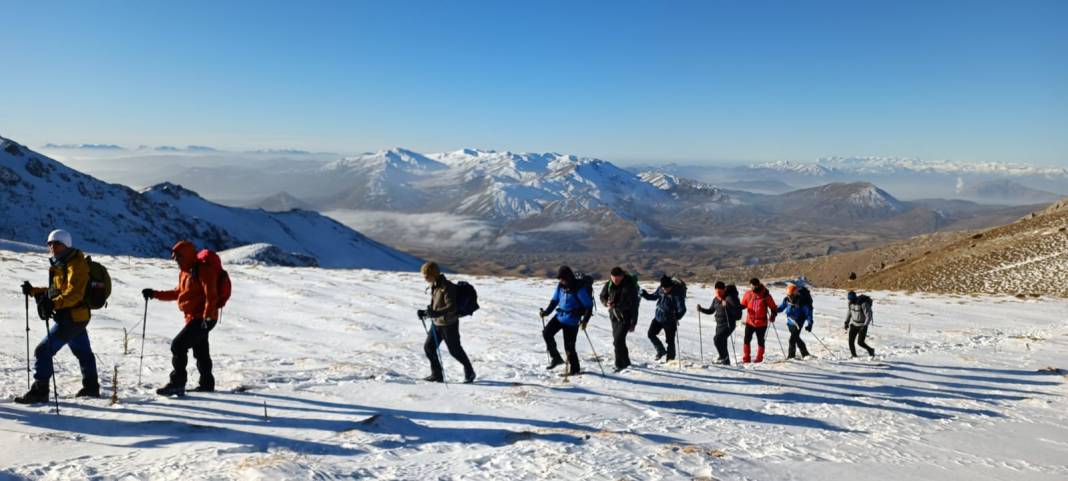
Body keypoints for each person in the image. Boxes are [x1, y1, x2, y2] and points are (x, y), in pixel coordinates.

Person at [15, 229, 100, 404]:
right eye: (50, 244)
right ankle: (91, 387)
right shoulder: (61, 264)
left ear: (66, 245)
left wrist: (53, 304)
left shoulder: (76, 265)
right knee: (83, 352)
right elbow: (56, 291)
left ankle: (40, 391)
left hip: (72, 317)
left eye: (56, 243)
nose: (52, 247)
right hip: (75, 316)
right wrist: (34, 291)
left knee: (43, 350)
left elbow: (74, 294)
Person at [142, 241, 220, 396]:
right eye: (175, 258)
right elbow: (179, 293)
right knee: (201, 350)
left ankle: (177, 383)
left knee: (178, 346)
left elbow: (211, 295)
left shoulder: (203, 270)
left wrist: (207, 317)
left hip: (204, 318)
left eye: (178, 257)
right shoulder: (185, 272)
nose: (176, 260)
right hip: (195, 318)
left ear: (187, 256)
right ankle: (206, 384)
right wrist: (155, 294)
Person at [417, 262, 476, 383]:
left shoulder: (447, 287)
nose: (425, 278)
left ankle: (469, 371)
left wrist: (436, 313)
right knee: (429, 348)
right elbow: (436, 307)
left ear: (434, 274)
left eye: (427, 275)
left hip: (449, 325)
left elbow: (451, 307)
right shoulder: (435, 285)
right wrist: (425, 313)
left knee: (455, 350)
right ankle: (437, 375)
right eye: (424, 275)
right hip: (437, 323)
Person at [540, 266, 593, 375]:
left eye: (562, 278)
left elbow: (588, 306)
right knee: (546, 333)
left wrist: (585, 321)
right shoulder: (561, 286)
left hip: (572, 321)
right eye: (560, 279)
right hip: (560, 316)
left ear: (568, 277)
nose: (561, 280)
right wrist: (546, 312)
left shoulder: (579, 288)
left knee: (569, 347)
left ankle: (575, 369)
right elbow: (554, 301)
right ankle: (556, 358)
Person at [598, 267, 640, 372]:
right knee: (619, 341)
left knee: (617, 341)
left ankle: (619, 364)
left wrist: (634, 322)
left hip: (626, 317)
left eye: (617, 279)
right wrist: (606, 303)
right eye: (613, 278)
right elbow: (603, 296)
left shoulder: (629, 286)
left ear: (622, 276)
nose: (615, 281)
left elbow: (634, 305)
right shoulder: (609, 284)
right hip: (614, 316)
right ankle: (626, 362)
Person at [641, 275, 686, 362]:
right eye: (663, 287)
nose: (665, 290)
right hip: (658, 317)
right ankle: (661, 350)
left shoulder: (677, 294)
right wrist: (644, 294)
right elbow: (653, 297)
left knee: (670, 341)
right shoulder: (660, 289)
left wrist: (676, 317)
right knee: (651, 334)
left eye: (667, 288)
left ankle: (670, 360)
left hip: (670, 321)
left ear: (671, 286)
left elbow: (682, 309)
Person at [697, 281, 738, 365]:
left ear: (724, 290)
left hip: (728, 324)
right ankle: (726, 361)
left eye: (720, 291)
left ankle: (723, 358)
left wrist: (727, 306)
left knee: (717, 339)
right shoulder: (715, 299)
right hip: (719, 325)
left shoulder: (729, 298)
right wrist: (701, 309)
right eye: (716, 291)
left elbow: (737, 314)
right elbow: (711, 311)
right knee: (722, 342)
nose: (718, 293)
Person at [739, 278, 776, 363]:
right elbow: (744, 305)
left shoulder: (765, 295)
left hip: (761, 323)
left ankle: (759, 359)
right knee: (747, 339)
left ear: (758, 285)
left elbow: (773, 307)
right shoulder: (748, 294)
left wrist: (773, 315)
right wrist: (737, 308)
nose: (751, 287)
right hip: (750, 322)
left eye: (753, 285)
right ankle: (746, 358)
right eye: (751, 285)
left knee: (760, 340)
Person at [777, 282, 813, 359]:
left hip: (798, 323)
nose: (789, 297)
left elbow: (808, 314)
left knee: (792, 340)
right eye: (788, 295)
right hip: (790, 323)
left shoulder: (802, 302)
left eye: (791, 295)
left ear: (795, 293)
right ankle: (805, 354)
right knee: (797, 339)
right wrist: (774, 310)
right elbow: (781, 308)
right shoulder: (786, 300)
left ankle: (791, 357)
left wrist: (810, 324)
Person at [844, 291, 876, 358]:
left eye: (851, 299)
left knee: (860, 342)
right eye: (849, 299)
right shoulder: (850, 304)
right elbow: (849, 313)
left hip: (862, 325)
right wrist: (846, 322)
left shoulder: (863, 304)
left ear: (854, 298)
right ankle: (854, 355)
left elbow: (868, 315)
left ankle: (870, 350)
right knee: (850, 341)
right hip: (854, 324)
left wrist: (865, 325)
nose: (850, 301)